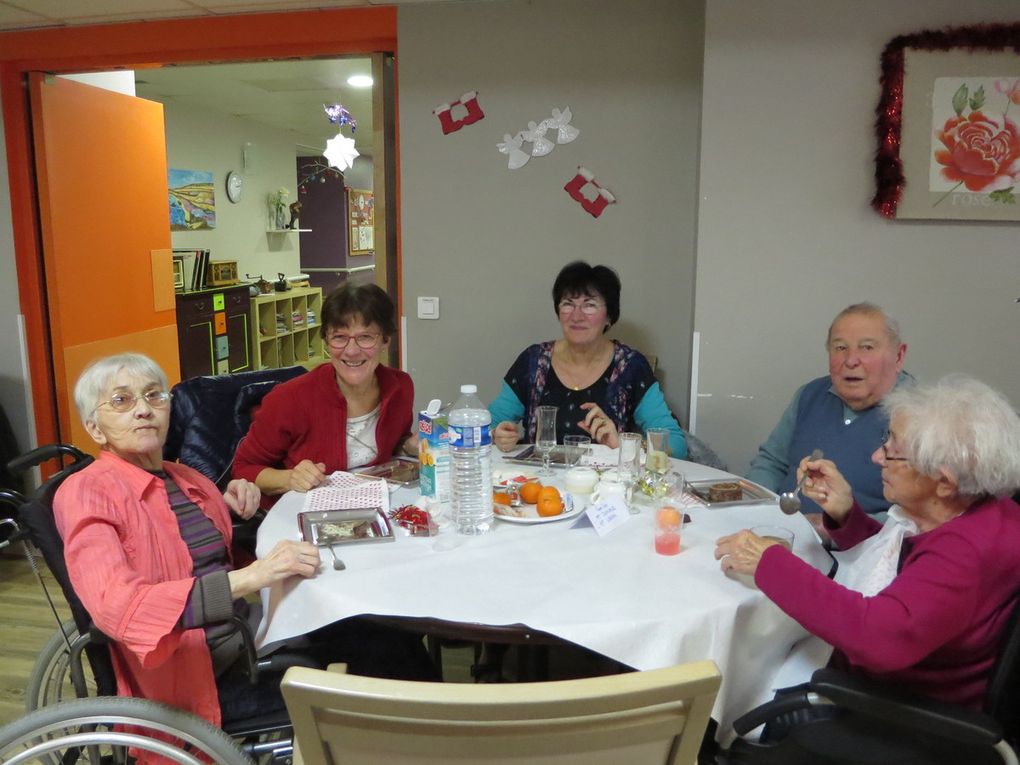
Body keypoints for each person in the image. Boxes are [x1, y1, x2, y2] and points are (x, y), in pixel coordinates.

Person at [716, 375, 1020, 712]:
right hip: (892, 677)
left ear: (944, 482)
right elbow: (904, 574)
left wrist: (770, 563)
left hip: (896, 712)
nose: (878, 456)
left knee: (731, 672)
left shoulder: (965, 552)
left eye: (893, 451)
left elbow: (879, 637)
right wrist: (846, 515)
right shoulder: (976, 510)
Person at [54, 353, 322, 732]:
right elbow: (121, 607)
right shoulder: (87, 493)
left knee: (361, 633)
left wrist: (228, 507)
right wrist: (252, 576)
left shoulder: (181, 476)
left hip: (244, 633)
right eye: (122, 400)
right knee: (359, 672)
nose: (143, 410)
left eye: (153, 396)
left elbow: (174, 541)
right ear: (95, 429)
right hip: (198, 672)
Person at [233, 282, 416, 498]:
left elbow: (393, 443)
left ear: (385, 341)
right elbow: (244, 468)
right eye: (339, 337)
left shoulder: (400, 387)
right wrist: (289, 477)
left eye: (365, 337)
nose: (352, 350)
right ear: (326, 342)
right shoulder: (288, 399)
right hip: (304, 514)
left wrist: (410, 446)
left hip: (374, 504)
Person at [490, 261, 687, 458]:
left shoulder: (630, 366)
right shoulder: (533, 362)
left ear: (609, 316)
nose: (576, 316)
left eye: (589, 305)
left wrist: (624, 444)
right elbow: (485, 426)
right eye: (568, 304)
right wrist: (496, 434)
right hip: (539, 484)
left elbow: (676, 445)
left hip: (607, 484)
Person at [746, 302, 911, 516]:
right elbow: (771, 462)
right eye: (840, 348)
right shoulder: (810, 395)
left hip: (860, 547)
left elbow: (917, 518)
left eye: (867, 347)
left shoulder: (918, 414)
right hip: (782, 532)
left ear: (898, 356)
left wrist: (835, 528)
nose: (851, 360)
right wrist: (754, 511)